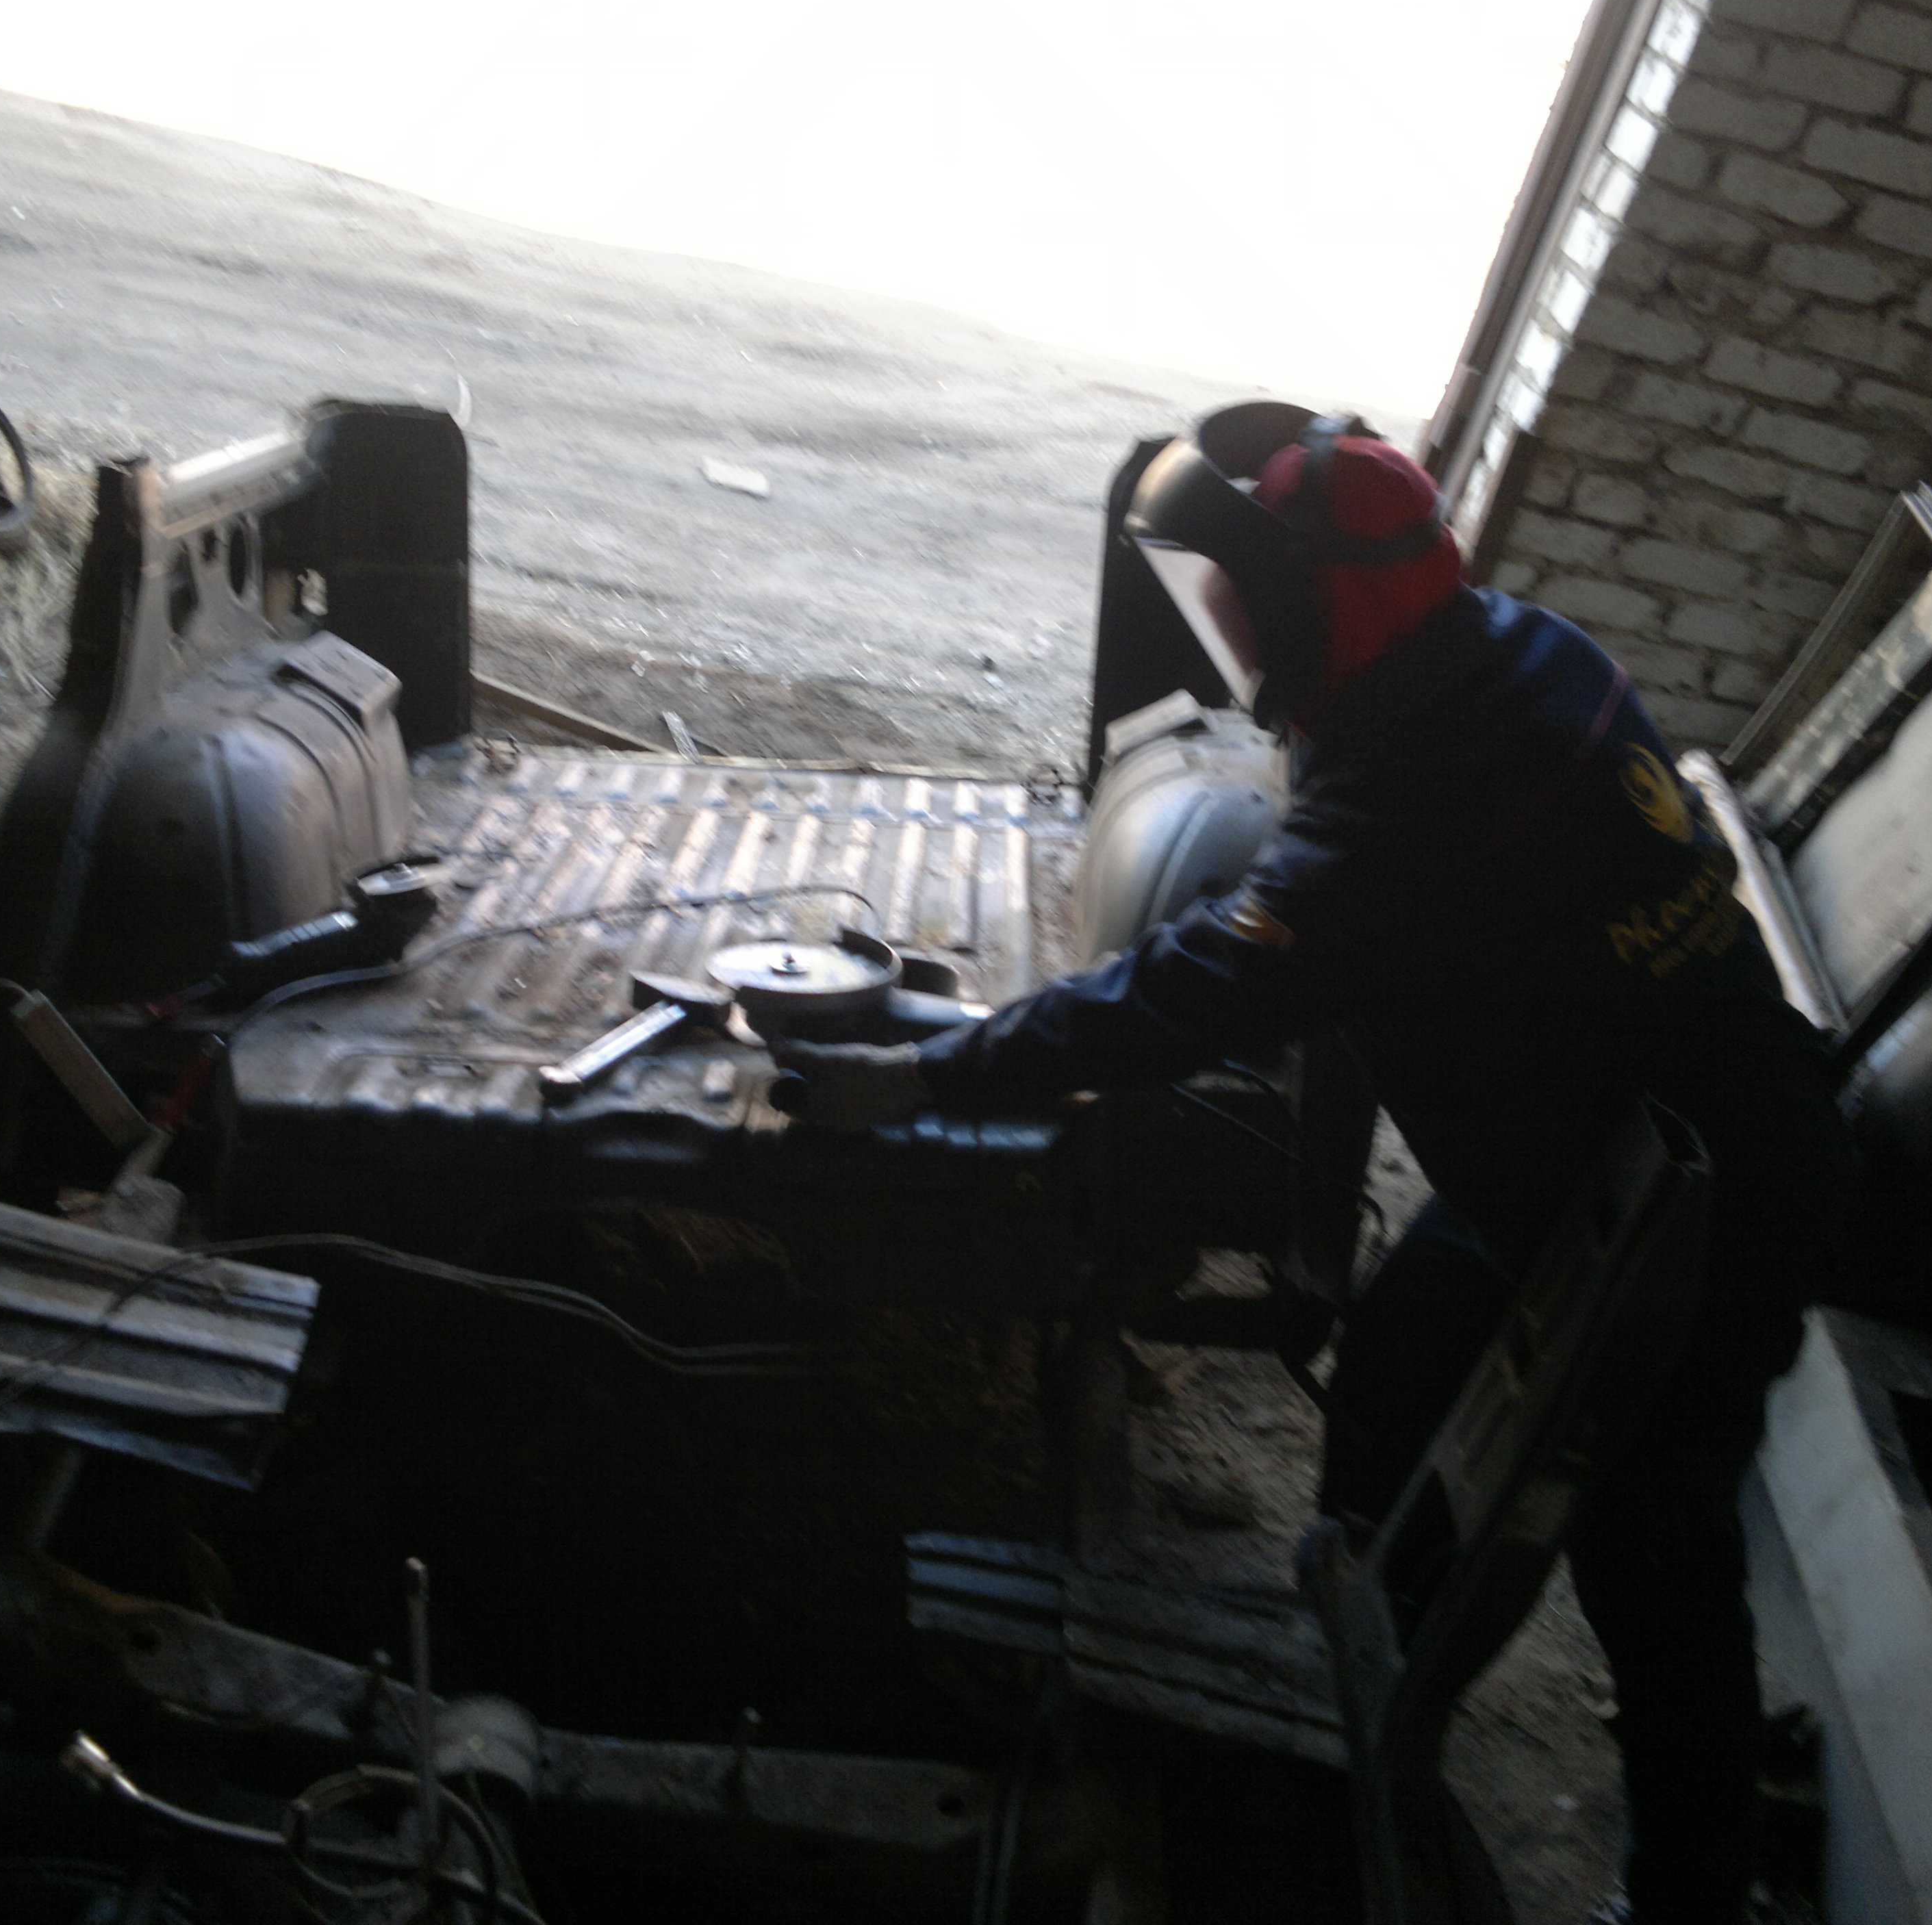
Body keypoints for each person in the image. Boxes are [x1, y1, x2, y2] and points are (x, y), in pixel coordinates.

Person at [770, 404, 1849, 1925]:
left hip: (1706, 1196)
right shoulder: (1504, 650)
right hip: (1595, 1134)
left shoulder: (1413, 784)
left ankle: (1685, 1900)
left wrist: (933, 1071)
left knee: (1651, 1551)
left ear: (1316, 608)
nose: (1224, 637)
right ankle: (1353, 1685)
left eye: (1238, 606)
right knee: (1400, 1361)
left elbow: (1200, 986)